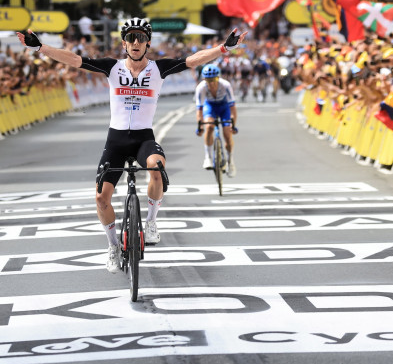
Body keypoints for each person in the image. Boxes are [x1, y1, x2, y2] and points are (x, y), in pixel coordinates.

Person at [17, 18, 246, 273]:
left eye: (140, 38)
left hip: (143, 139)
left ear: (147, 42)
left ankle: (150, 223)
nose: (136, 43)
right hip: (115, 141)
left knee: (157, 169)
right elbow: (74, 60)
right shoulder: (112, 68)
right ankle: (113, 246)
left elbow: (193, 60)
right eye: (131, 38)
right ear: (124, 42)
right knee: (101, 198)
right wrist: (40, 48)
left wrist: (224, 49)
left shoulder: (158, 69)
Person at [194, 63, 238, 177]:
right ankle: (208, 157)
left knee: (227, 134)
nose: (212, 83)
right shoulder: (201, 87)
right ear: (204, 79)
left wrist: (233, 124)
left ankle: (230, 161)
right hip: (210, 107)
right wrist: (200, 126)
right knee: (209, 127)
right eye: (208, 80)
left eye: (214, 79)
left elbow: (233, 108)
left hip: (224, 107)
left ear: (218, 78)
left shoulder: (226, 85)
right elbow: (199, 109)